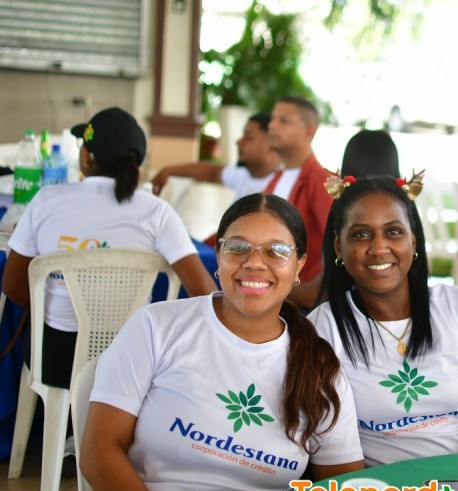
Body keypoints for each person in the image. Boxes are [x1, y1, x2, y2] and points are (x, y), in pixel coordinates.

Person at [80, 193, 365, 491]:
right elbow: (99, 453)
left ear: (299, 265)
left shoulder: (320, 368)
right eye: (238, 248)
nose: (254, 263)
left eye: (276, 251)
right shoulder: (156, 326)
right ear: (218, 255)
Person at [2, 107, 217, 389]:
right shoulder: (157, 212)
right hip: (132, 360)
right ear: (136, 165)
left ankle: (52, 417)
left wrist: (49, 308)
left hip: (55, 361)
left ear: (86, 157)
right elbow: (204, 292)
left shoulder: (46, 200)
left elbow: (12, 285)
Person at [308, 174, 458, 467]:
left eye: (393, 232)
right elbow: (336, 464)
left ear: (413, 241)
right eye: (361, 235)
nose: (379, 247)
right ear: (339, 247)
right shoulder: (322, 328)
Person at [265, 96, 333, 310]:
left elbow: (338, 243)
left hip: (301, 304)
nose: (272, 125)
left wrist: (311, 291)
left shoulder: (321, 180)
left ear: (309, 131)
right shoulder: (276, 178)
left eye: (283, 121)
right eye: (272, 119)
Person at [150, 113, 281, 200]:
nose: (238, 142)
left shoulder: (283, 187)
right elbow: (212, 172)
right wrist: (168, 171)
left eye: (248, 136)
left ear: (271, 144)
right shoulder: (245, 175)